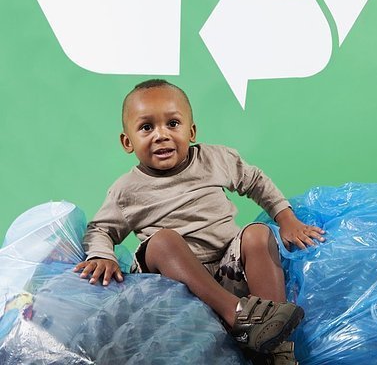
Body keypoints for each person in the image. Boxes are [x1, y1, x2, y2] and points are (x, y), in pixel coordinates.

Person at [74, 79, 325, 364]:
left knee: (258, 233)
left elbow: (255, 181)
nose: (161, 135)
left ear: (192, 131)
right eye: (146, 128)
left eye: (173, 124)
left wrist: (286, 217)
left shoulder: (215, 159)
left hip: (229, 269)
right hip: (175, 282)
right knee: (163, 241)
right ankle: (237, 314)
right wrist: (102, 255)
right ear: (127, 141)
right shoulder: (126, 189)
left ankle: (273, 342)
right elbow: (100, 229)